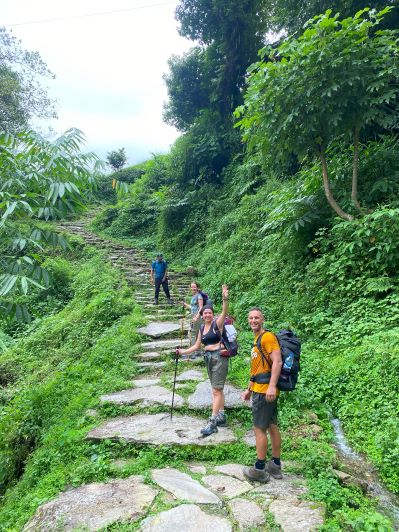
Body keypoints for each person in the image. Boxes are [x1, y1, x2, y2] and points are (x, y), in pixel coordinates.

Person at [176, 284, 229, 436]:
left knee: (216, 390)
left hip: (219, 357)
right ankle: (222, 416)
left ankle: (212, 422)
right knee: (218, 388)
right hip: (208, 359)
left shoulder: (216, 324)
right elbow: (196, 346)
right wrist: (182, 352)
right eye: (205, 313)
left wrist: (225, 298)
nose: (207, 315)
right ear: (202, 314)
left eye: (209, 313)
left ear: (213, 314)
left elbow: (225, 312)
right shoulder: (201, 329)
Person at [241, 307, 283, 482]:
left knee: (259, 429)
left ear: (262, 319)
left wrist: (272, 386)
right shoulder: (257, 338)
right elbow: (258, 368)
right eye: (250, 318)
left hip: (265, 391)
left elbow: (277, 361)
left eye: (256, 317)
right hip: (259, 388)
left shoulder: (267, 337)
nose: (253, 320)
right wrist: (249, 389)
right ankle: (275, 466)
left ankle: (259, 469)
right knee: (272, 426)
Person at [182, 282, 204, 355]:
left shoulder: (199, 296)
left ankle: (192, 351)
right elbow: (193, 307)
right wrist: (186, 305)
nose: (193, 288)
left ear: (197, 287)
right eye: (191, 287)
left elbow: (201, 308)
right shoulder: (194, 296)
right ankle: (197, 350)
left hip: (197, 317)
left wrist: (197, 316)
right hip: (193, 316)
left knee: (193, 333)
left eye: (194, 287)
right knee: (197, 333)